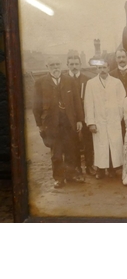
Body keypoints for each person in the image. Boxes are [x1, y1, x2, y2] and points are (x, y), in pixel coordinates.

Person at [33, 56, 85, 188]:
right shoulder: (40, 82)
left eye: (57, 64)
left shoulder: (69, 80)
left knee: (71, 150)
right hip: (51, 123)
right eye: (52, 65)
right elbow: (36, 105)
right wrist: (39, 124)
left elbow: (77, 101)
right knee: (56, 153)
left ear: (61, 65)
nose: (55, 67)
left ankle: (71, 175)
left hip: (69, 122)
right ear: (47, 67)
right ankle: (58, 178)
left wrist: (79, 119)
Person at [84, 61, 126, 179]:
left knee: (114, 144)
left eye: (104, 67)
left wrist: (117, 116)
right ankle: (101, 170)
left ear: (108, 68)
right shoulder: (91, 83)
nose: (102, 70)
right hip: (99, 120)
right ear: (96, 69)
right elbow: (88, 103)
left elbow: (121, 100)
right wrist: (91, 122)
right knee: (100, 145)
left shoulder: (116, 82)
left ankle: (112, 168)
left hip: (113, 119)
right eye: (99, 68)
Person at [66, 53, 95, 176]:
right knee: (73, 142)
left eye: (76, 64)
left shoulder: (87, 80)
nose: (74, 67)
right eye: (71, 64)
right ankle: (77, 167)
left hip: (85, 114)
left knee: (88, 141)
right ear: (67, 65)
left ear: (80, 65)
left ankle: (89, 166)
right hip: (70, 117)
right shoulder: (64, 80)